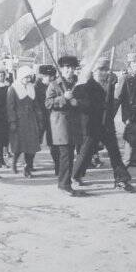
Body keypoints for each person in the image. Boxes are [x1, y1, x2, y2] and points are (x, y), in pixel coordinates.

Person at [71, 57, 135, 191]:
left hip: (107, 124)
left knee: (115, 152)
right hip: (92, 124)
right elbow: (82, 106)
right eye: (101, 70)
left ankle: (121, 179)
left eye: (106, 69)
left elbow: (113, 103)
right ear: (93, 71)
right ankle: (75, 176)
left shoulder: (110, 84)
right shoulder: (84, 86)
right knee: (86, 152)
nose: (105, 72)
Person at [46, 56, 84, 196]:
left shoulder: (77, 83)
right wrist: (63, 98)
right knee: (65, 155)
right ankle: (63, 184)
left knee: (70, 153)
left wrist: (76, 102)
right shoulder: (54, 84)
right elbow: (48, 103)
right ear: (61, 69)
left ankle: (66, 182)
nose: (70, 70)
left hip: (74, 123)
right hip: (60, 124)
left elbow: (82, 99)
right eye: (67, 68)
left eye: (72, 68)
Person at [6, 66, 44, 177]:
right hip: (19, 121)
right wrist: (12, 121)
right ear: (21, 76)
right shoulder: (12, 88)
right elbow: (10, 107)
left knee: (31, 146)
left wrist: (40, 118)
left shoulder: (32, 87)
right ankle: (14, 163)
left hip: (31, 120)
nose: (28, 80)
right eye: (26, 77)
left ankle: (27, 167)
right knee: (19, 145)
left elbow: (36, 104)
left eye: (29, 77)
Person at [35, 64, 58, 173]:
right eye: (47, 76)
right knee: (35, 141)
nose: (50, 78)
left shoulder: (54, 86)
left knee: (53, 142)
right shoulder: (36, 87)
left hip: (52, 118)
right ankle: (29, 164)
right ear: (41, 76)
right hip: (39, 118)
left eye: (52, 76)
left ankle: (58, 165)